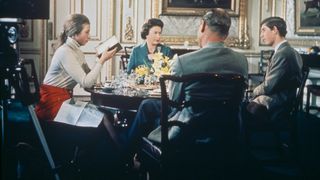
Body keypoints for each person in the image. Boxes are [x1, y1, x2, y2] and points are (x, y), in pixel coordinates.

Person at [127, 8, 248, 149]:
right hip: (228, 131)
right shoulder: (241, 61)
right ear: (226, 33)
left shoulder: (183, 62)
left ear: (202, 25)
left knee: (147, 106)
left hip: (189, 130)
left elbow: (174, 103)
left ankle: (129, 159)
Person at [34, 14, 124, 177]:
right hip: (53, 105)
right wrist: (101, 61)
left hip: (64, 100)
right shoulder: (65, 52)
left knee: (105, 116)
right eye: (87, 32)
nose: (89, 36)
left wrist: (100, 59)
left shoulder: (76, 51)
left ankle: (115, 159)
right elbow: (86, 82)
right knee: (102, 120)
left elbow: (89, 76)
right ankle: (121, 159)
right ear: (75, 34)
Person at [247, 16, 303, 121]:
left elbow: (269, 86)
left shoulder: (283, 53)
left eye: (263, 30)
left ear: (275, 30)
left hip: (280, 104)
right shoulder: (289, 51)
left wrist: (252, 91)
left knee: (241, 109)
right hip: (283, 99)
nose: (261, 35)